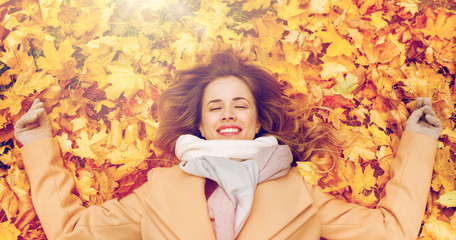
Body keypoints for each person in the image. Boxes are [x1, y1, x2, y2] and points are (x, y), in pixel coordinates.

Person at [14, 51, 442, 240]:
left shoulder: (299, 195)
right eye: (215, 107)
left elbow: (391, 232)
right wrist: (36, 142)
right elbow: (71, 232)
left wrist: (419, 140)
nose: (228, 114)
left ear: (258, 121)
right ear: (200, 123)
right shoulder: (160, 190)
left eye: (241, 105)